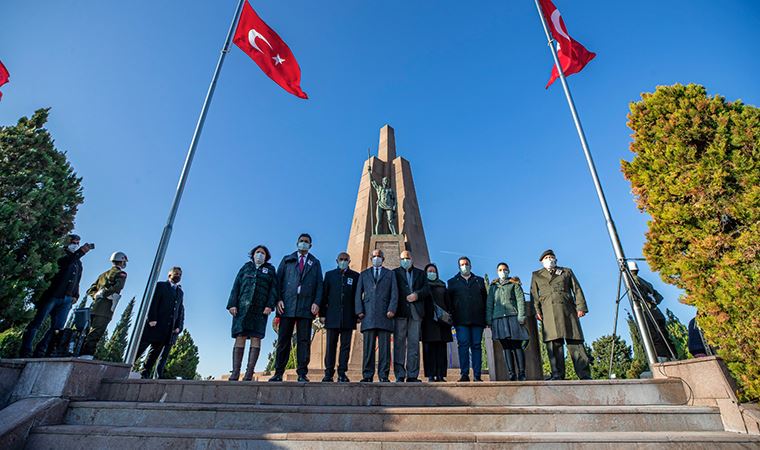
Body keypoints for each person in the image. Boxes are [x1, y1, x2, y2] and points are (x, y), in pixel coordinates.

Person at [20, 234, 92, 358]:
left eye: (77, 243)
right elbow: (66, 263)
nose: (76, 245)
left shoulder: (78, 263)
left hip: (67, 299)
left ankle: (41, 350)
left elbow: (77, 280)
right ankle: (25, 350)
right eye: (73, 242)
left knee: (57, 328)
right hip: (53, 295)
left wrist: (76, 295)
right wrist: (81, 252)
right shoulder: (59, 255)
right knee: (37, 323)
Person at [269, 234, 323, 383]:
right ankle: (278, 372)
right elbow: (277, 281)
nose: (303, 244)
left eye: (306, 242)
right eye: (301, 241)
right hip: (287, 306)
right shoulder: (288, 259)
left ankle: (302, 373)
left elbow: (319, 284)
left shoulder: (315, 262)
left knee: (304, 341)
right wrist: (278, 300)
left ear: (310, 245)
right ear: (297, 243)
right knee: (283, 341)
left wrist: (317, 302)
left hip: (306, 308)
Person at [530, 249, 591, 380]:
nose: (549, 259)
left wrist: (581, 307)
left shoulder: (566, 271)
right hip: (548, 312)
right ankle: (557, 374)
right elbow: (534, 295)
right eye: (546, 257)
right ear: (542, 261)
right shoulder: (536, 275)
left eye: (551, 257)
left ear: (556, 259)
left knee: (575, 342)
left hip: (568, 310)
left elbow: (577, 289)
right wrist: (537, 311)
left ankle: (584, 374)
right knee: (554, 344)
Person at [227, 246, 278, 381]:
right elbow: (236, 285)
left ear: (266, 256)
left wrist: (269, 305)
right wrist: (232, 304)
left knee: (256, 337)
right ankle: (235, 372)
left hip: (260, 309)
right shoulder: (246, 267)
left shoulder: (270, 270)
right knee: (240, 336)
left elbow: (274, 289)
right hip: (243, 307)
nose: (260, 254)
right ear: (253, 254)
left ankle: (249, 372)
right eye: (258, 252)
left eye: (263, 253)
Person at [355, 249, 398, 382]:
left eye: (379, 256)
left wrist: (392, 309)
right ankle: (367, 375)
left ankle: (383, 375)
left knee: (384, 350)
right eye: (374, 256)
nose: (376, 258)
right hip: (367, 315)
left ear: (383, 259)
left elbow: (394, 293)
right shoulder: (364, 274)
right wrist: (359, 311)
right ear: (370, 258)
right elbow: (358, 294)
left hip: (385, 315)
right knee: (368, 348)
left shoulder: (390, 274)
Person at [137, 266, 185, 379]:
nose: (178, 276)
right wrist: (152, 318)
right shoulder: (160, 286)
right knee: (140, 349)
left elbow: (179, 310)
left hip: (166, 329)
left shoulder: (180, 292)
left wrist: (178, 326)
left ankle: (145, 373)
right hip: (153, 326)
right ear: (169, 275)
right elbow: (153, 302)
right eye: (176, 273)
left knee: (154, 354)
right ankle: (126, 366)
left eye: (180, 274)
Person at [79, 251, 128, 359]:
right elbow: (118, 287)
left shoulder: (102, 275)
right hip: (105, 309)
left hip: (94, 307)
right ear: (122, 261)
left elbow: (91, 290)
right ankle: (86, 355)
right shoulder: (121, 274)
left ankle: (80, 352)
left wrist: (96, 295)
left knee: (86, 332)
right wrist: (104, 294)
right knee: (96, 333)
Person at [319, 252, 360, 382]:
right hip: (332, 317)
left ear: (349, 260)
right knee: (330, 346)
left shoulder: (355, 276)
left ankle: (342, 373)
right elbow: (324, 295)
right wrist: (322, 314)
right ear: (337, 261)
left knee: (345, 347)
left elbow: (357, 297)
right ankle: (328, 373)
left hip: (348, 317)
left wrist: (358, 313)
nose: (343, 261)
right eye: (341, 259)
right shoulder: (330, 275)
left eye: (346, 259)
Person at [486, 263, 529, 381]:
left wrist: (521, 316)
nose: (502, 271)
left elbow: (520, 300)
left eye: (505, 269)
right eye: (500, 270)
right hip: (498, 318)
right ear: (497, 272)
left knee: (516, 345)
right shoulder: (493, 286)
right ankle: (511, 373)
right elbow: (489, 303)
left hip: (513, 317)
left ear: (508, 271)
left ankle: (522, 372)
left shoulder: (514, 284)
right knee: (506, 347)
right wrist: (488, 319)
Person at [447, 256, 487, 382]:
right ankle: (464, 374)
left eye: (466, 264)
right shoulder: (452, 282)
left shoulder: (479, 281)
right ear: (459, 267)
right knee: (463, 346)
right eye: (462, 264)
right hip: (460, 321)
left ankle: (477, 375)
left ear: (470, 265)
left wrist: (486, 318)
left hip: (477, 320)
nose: (465, 266)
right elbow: (449, 303)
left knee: (476, 346)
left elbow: (485, 300)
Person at [392, 250, 429, 382]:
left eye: (407, 258)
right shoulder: (394, 273)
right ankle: (400, 374)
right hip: (400, 313)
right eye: (403, 258)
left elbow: (426, 289)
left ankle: (412, 374)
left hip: (415, 313)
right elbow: (392, 292)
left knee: (414, 345)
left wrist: (417, 295)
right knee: (399, 344)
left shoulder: (420, 273)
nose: (405, 260)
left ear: (412, 259)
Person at [628, 261, 674, 361]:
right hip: (656, 312)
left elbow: (637, 295)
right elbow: (658, 296)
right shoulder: (646, 282)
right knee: (664, 335)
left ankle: (661, 358)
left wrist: (647, 300)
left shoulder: (632, 281)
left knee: (653, 336)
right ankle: (672, 356)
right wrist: (653, 301)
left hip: (646, 312)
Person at [421, 263, 453, 382]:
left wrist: (449, 316)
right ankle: (430, 374)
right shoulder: (423, 286)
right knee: (429, 350)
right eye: (429, 271)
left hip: (442, 322)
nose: (431, 273)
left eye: (433, 271)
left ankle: (440, 374)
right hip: (428, 321)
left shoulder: (442, 285)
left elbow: (448, 302)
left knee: (441, 350)